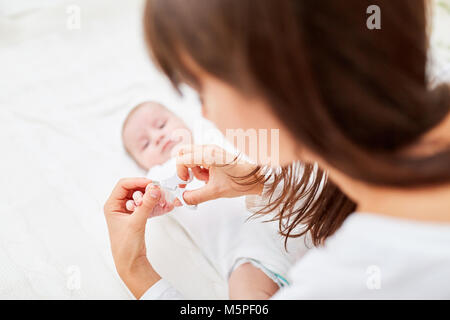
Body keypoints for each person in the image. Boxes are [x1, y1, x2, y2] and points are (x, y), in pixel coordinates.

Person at [104, 0, 450, 299]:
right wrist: (258, 181)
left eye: (200, 91)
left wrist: (136, 272)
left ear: (272, 82)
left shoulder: (342, 282)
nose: (205, 113)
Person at [121, 101, 307, 298]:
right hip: (246, 252)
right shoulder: (159, 175)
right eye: (145, 144)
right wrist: (146, 200)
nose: (157, 137)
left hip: (285, 210)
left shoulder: (212, 135)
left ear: (182, 121)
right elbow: (156, 192)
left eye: (161, 125)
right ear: (141, 165)